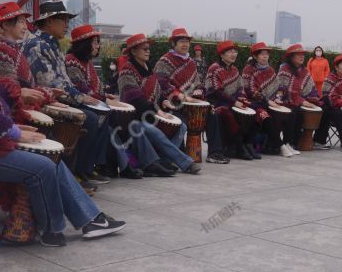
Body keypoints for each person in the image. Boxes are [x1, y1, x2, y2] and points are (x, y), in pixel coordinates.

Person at [0, 0, 126, 247]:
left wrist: (12, 127)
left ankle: (91, 219)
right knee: (42, 167)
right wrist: (14, 133)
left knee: (48, 157)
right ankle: (52, 230)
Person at [22, 0, 114, 189]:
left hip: (61, 97)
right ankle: (79, 173)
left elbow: (64, 81)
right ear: (48, 22)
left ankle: (86, 169)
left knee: (102, 114)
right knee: (89, 118)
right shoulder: (37, 45)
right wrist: (80, 97)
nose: (67, 24)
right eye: (63, 20)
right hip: (45, 99)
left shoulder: (53, 45)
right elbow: (49, 82)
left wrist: (83, 96)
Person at [65, 25, 144, 179]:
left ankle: (111, 166)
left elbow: (96, 89)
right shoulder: (71, 61)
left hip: (92, 105)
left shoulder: (87, 62)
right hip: (78, 105)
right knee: (111, 126)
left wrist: (106, 96)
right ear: (84, 43)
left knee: (115, 127)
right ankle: (123, 165)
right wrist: (106, 100)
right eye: (94, 42)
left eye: (97, 42)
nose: (98, 46)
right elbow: (82, 89)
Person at [118, 33, 202, 175]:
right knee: (154, 131)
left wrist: (164, 100)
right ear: (133, 51)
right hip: (135, 118)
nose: (147, 51)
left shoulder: (147, 68)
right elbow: (135, 99)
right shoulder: (127, 70)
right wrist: (158, 111)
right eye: (143, 48)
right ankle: (186, 163)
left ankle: (163, 161)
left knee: (181, 126)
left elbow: (158, 90)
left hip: (151, 114)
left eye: (148, 48)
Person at [154, 28, 228, 164]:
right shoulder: (164, 61)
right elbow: (161, 83)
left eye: (187, 41)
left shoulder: (191, 62)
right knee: (180, 121)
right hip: (172, 104)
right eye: (181, 41)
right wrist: (180, 96)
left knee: (213, 113)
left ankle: (215, 153)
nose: (185, 44)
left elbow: (198, 83)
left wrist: (200, 91)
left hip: (191, 103)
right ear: (173, 44)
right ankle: (178, 154)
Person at [0, 2, 62, 120]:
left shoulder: (13, 48)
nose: (26, 27)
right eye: (21, 22)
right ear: (6, 24)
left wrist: (47, 93)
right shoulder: (1, 50)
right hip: (15, 113)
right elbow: (13, 90)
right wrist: (46, 94)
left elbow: (23, 86)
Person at [242, 42, 298, 157]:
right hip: (254, 104)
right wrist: (267, 101)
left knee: (291, 113)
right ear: (255, 56)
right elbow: (249, 91)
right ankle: (280, 146)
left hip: (271, 102)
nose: (265, 56)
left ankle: (287, 143)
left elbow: (279, 86)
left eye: (267, 54)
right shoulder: (248, 69)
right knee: (265, 116)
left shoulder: (270, 70)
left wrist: (278, 98)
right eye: (262, 54)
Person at [205, 40, 259, 160]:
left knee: (255, 109)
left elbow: (240, 88)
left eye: (235, 51)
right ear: (221, 54)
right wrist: (234, 102)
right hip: (217, 103)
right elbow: (215, 91)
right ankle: (238, 147)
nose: (233, 54)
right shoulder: (214, 68)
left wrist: (242, 99)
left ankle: (247, 144)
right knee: (227, 114)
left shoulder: (234, 70)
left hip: (233, 102)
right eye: (230, 51)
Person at [277, 44, 324, 148]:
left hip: (299, 102)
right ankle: (288, 143)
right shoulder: (284, 69)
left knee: (322, 107)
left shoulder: (304, 71)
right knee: (295, 113)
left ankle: (299, 143)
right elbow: (283, 90)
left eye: (303, 54)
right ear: (291, 57)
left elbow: (311, 89)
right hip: (284, 102)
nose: (302, 56)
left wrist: (313, 100)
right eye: (299, 54)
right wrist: (302, 101)